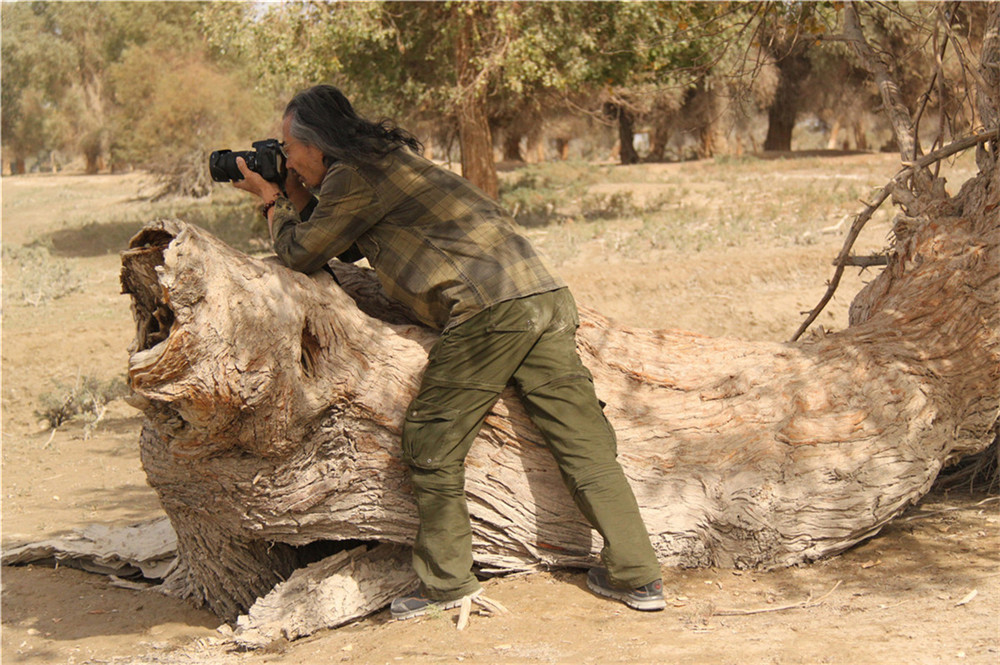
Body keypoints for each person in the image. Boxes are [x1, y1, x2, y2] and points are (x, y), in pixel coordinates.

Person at [233, 84, 665, 617]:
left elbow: (303, 252)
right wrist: (298, 192)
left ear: (317, 144)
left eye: (289, 147)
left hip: (490, 312)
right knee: (581, 443)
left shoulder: (354, 176)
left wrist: (272, 200)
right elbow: (341, 239)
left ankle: (446, 582)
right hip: (543, 297)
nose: (286, 158)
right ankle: (638, 575)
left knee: (431, 442)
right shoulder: (387, 161)